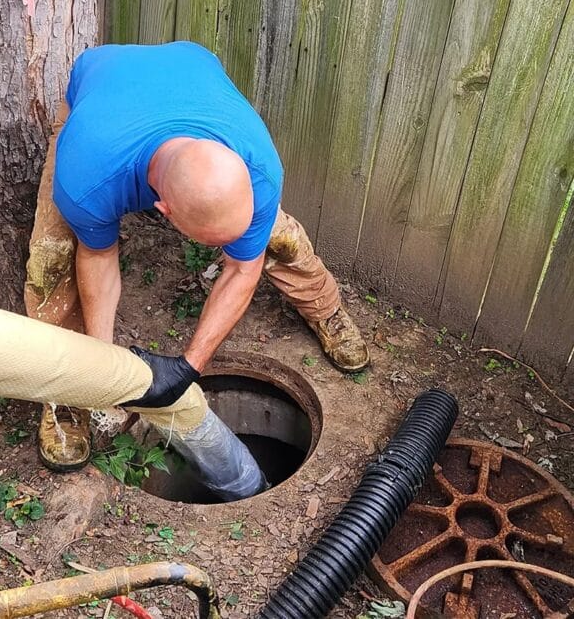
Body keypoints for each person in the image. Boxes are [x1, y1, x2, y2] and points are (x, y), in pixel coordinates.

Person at [24, 41, 369, 476]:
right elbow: (98, 257)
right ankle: (72, 389)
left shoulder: (257, 165)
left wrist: (189, 366)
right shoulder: (88, 177)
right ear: (161, 210)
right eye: (213, 241)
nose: (224, 250)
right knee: (53, 258)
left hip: (190, 69)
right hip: (100, 89)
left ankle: (327, 310)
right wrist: (104, 365)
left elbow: (244, 267)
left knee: (275, 239)